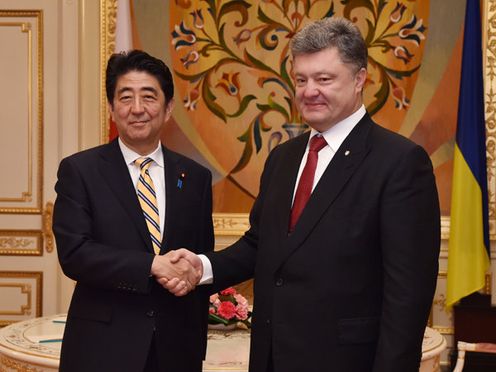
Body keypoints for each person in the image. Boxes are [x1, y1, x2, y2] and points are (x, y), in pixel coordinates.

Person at [165, 17, 440, 372]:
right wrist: (200, 267)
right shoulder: (283, 157)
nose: (310, 90)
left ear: (359, 80)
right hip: (272, 358)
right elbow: (261, 246)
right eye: (301, 79)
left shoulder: (400, 163)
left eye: (324, 79)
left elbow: (408, 296)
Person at [53, 50, 214, 372]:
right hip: (102, 347)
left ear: (168, 108)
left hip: (176, 348)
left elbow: (199, 255)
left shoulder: (195, 177)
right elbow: (75, 253)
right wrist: (151, 265)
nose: (137, 109)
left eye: (149, 97)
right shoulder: (80, 170)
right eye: (125, 97)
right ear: (112, 109)